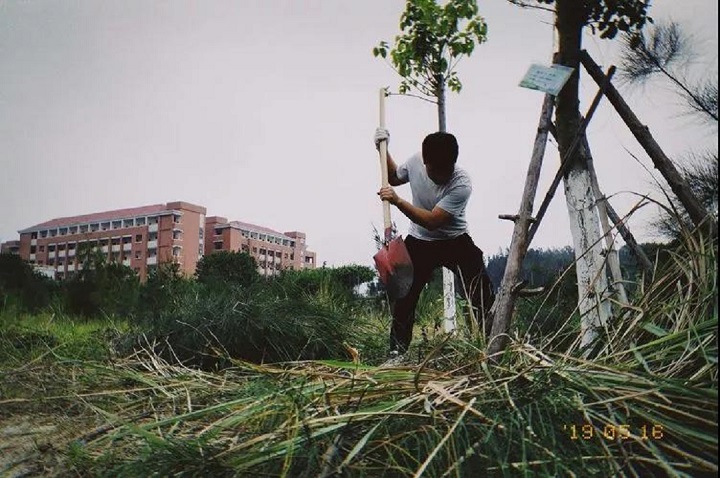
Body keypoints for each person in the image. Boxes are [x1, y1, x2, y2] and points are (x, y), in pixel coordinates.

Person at [374, 127, 495, 357]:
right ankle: (397, 353)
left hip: (455, 241)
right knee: (404, 299)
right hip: (419, 242)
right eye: (435, 171)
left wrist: (398, 201)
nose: (441, 176)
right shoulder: (415, 162)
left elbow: (433, 221)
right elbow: (394, 177)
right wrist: (383, 148)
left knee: (482, 294)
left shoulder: (462, 184)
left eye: (446, 170)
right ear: (425, 162)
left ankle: (493, 347)